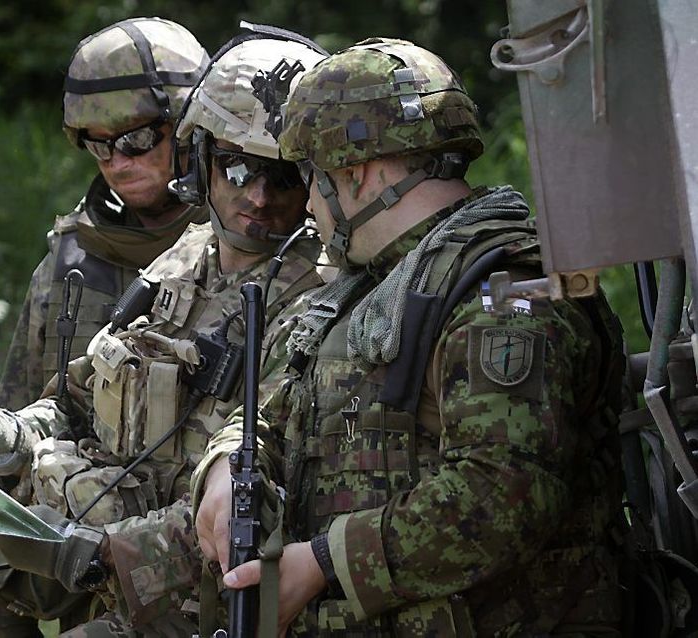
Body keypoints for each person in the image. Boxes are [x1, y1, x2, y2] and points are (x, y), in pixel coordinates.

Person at [192, 38, 626, 636]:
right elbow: (276, 409)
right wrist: (225, 467)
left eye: (311, 181)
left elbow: (504, 492)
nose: (309, 206)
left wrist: (323, 564)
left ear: (357, 173)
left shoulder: (506, 291)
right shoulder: (377, 283)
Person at [0, 30, 329, 636]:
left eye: (284, 177)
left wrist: (104, 553)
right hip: (116, 600)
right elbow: (78, 398)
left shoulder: (327, 297)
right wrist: (12, 433)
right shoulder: (182, 261)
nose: (258, 197)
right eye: (237, 168)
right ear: (203, 161)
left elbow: (276, 497)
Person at [0, 17, 209, 638]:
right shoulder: (69, 266)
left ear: (190, 126)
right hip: (83, 594)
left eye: (132, 139)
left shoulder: (256, 258)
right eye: (96, 145)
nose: (115, 163)